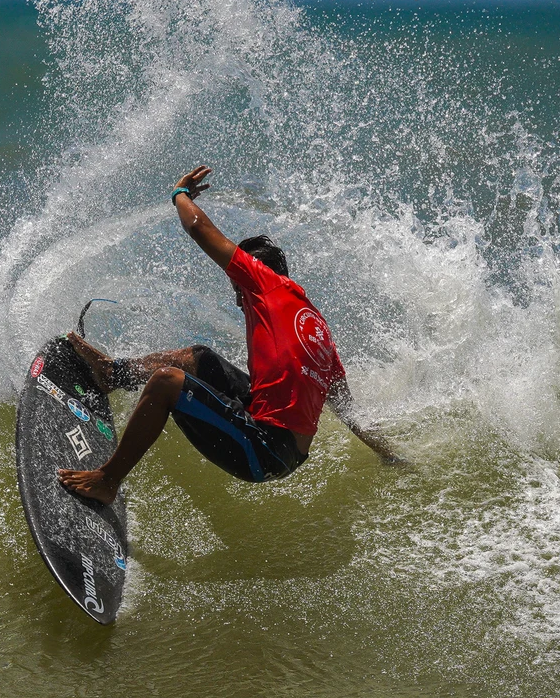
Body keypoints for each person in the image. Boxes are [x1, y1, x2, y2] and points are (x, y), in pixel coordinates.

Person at [58, 165, 401, 505]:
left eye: (238, 287)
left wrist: (180, 195)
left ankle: (107, 479)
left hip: (265, 449)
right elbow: (350, 411)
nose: (237, 298)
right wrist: (391, 456)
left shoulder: (264, 283)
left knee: (167, 381)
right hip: (281, 447)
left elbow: (198, 227)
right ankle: (113, 373)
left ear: (252, 276)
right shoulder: (317, 329)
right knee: (198, 359)